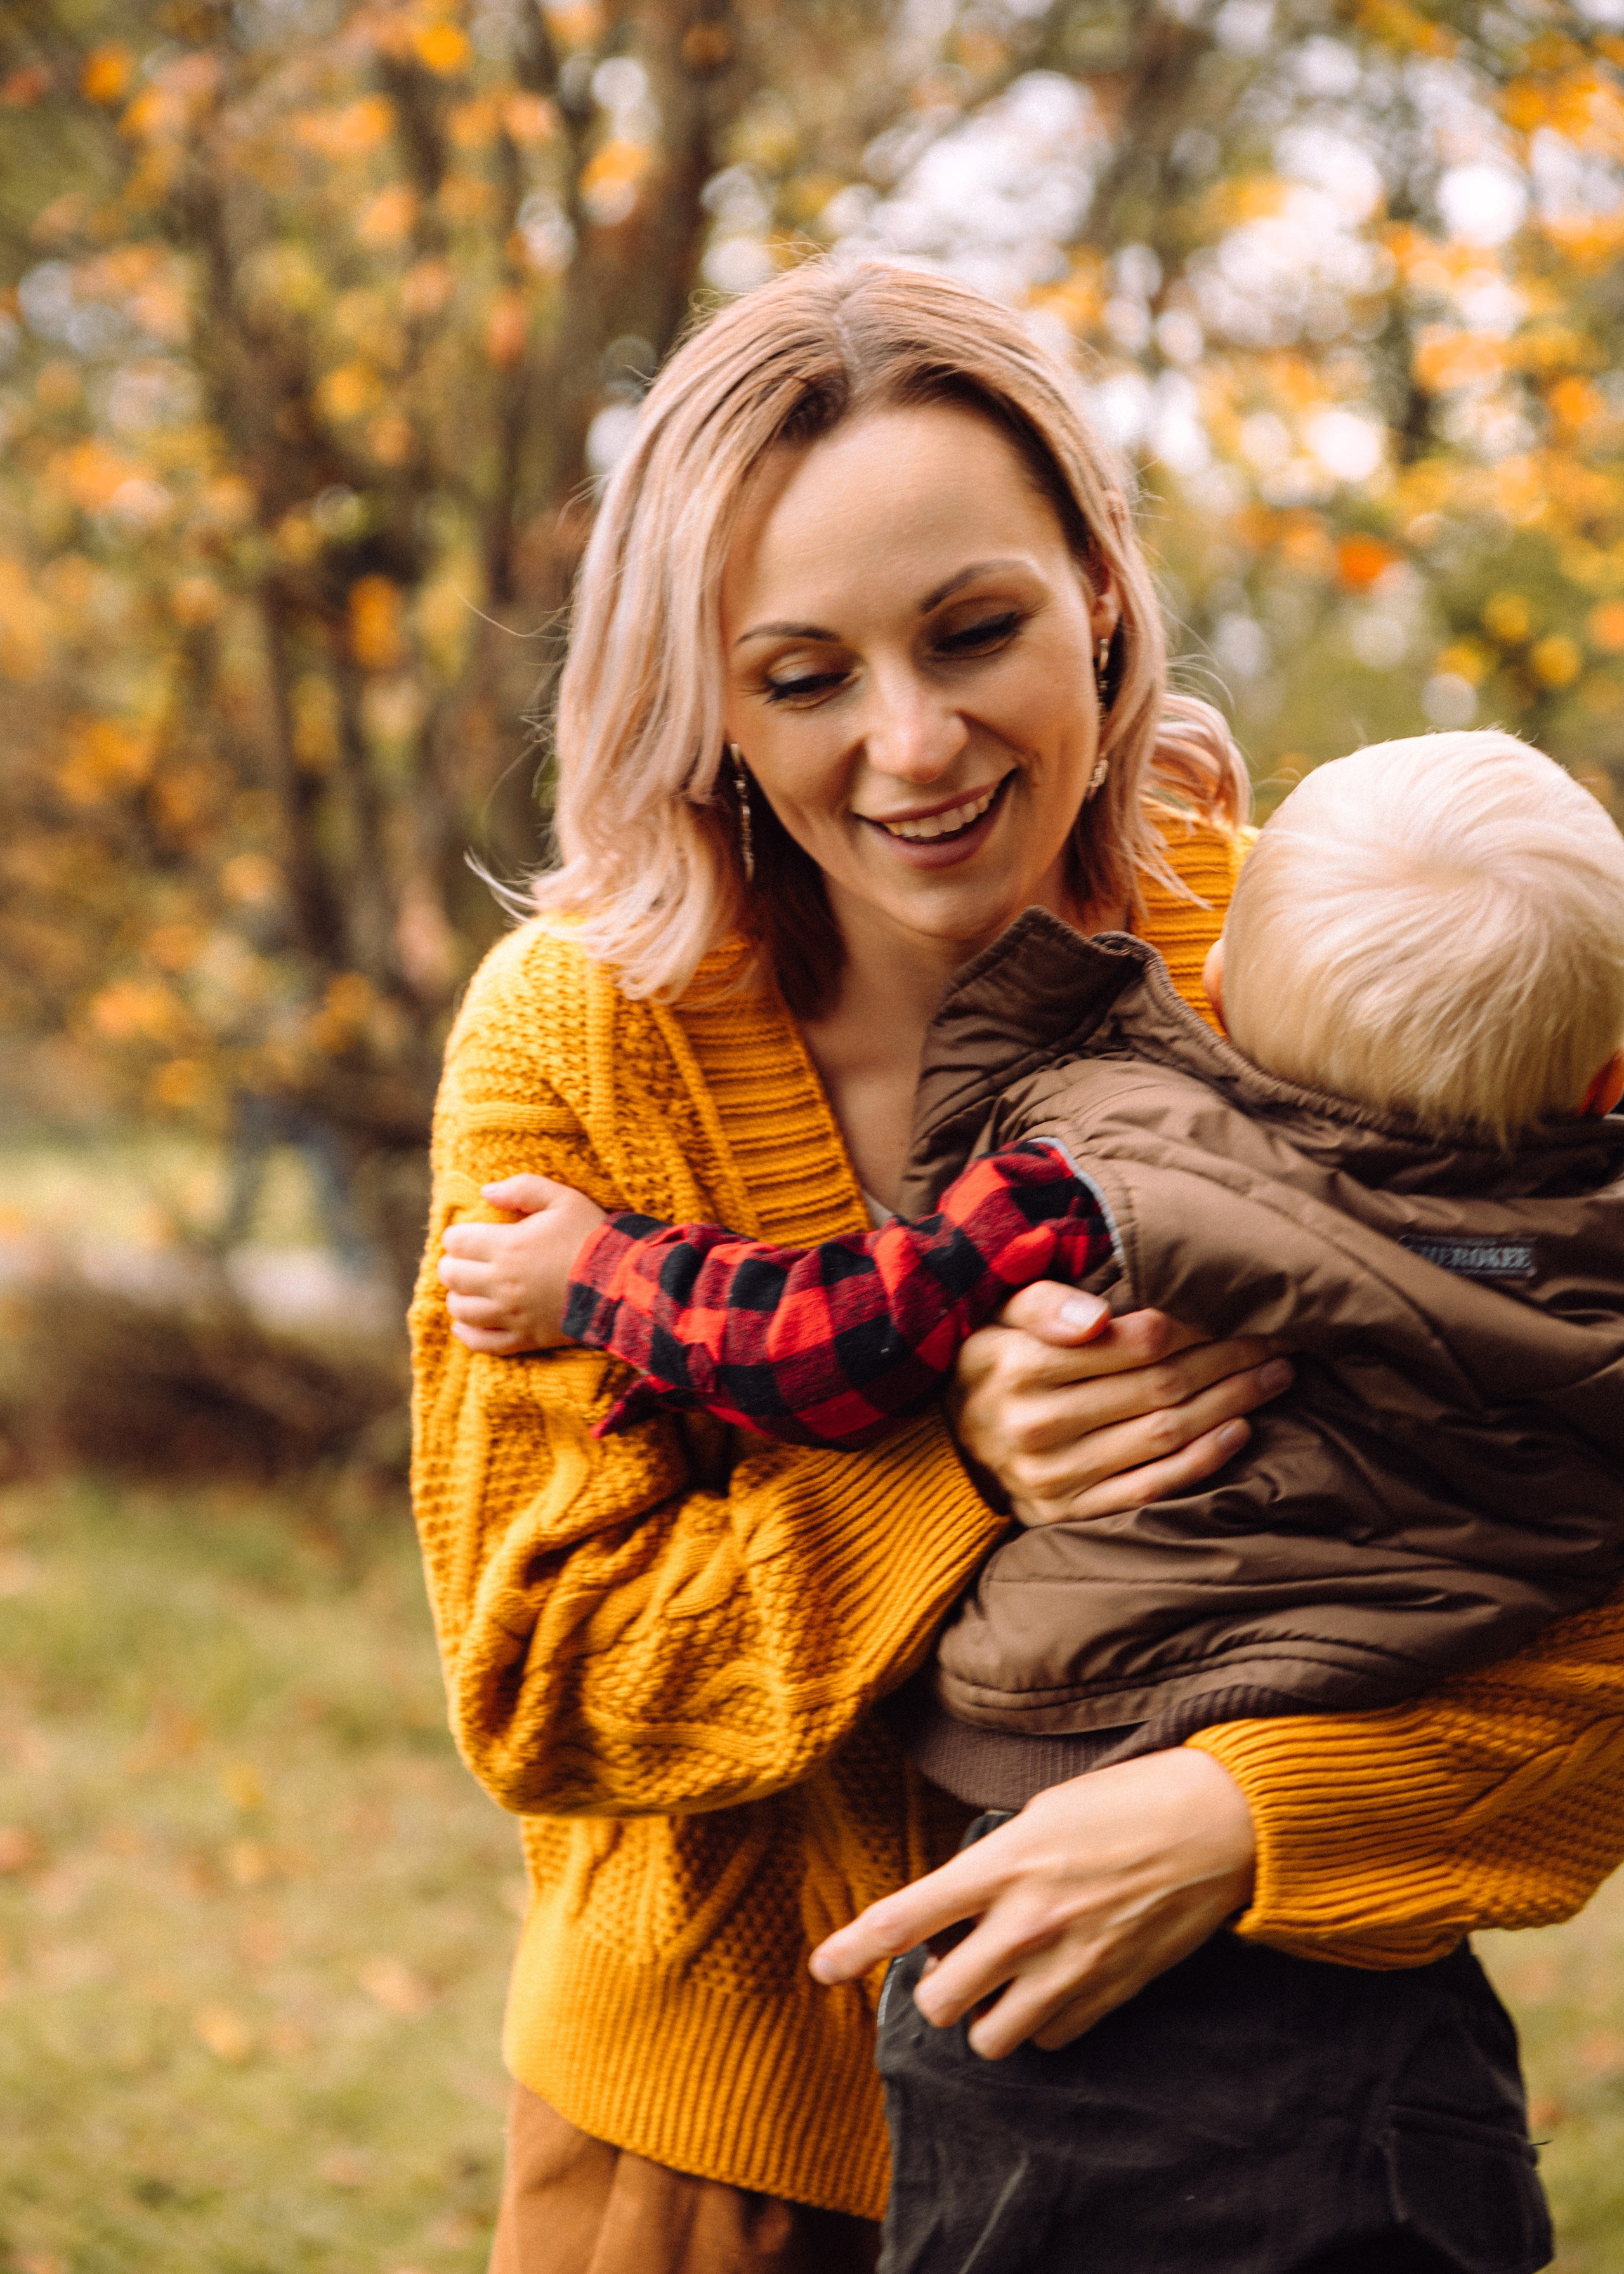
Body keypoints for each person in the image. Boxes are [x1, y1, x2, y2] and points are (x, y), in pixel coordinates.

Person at [411, 261, 1624, 2274]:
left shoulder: (1324, 966)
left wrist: (1248, 1821)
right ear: (703, 695)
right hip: (728, 2146)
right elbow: (549, 1684)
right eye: (802, 678)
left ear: (1102, 588)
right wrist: (951, 1474)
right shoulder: (581, 1040)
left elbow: (1572, 1555)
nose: (914, 744)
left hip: (1253, 2110)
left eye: (977, 631)